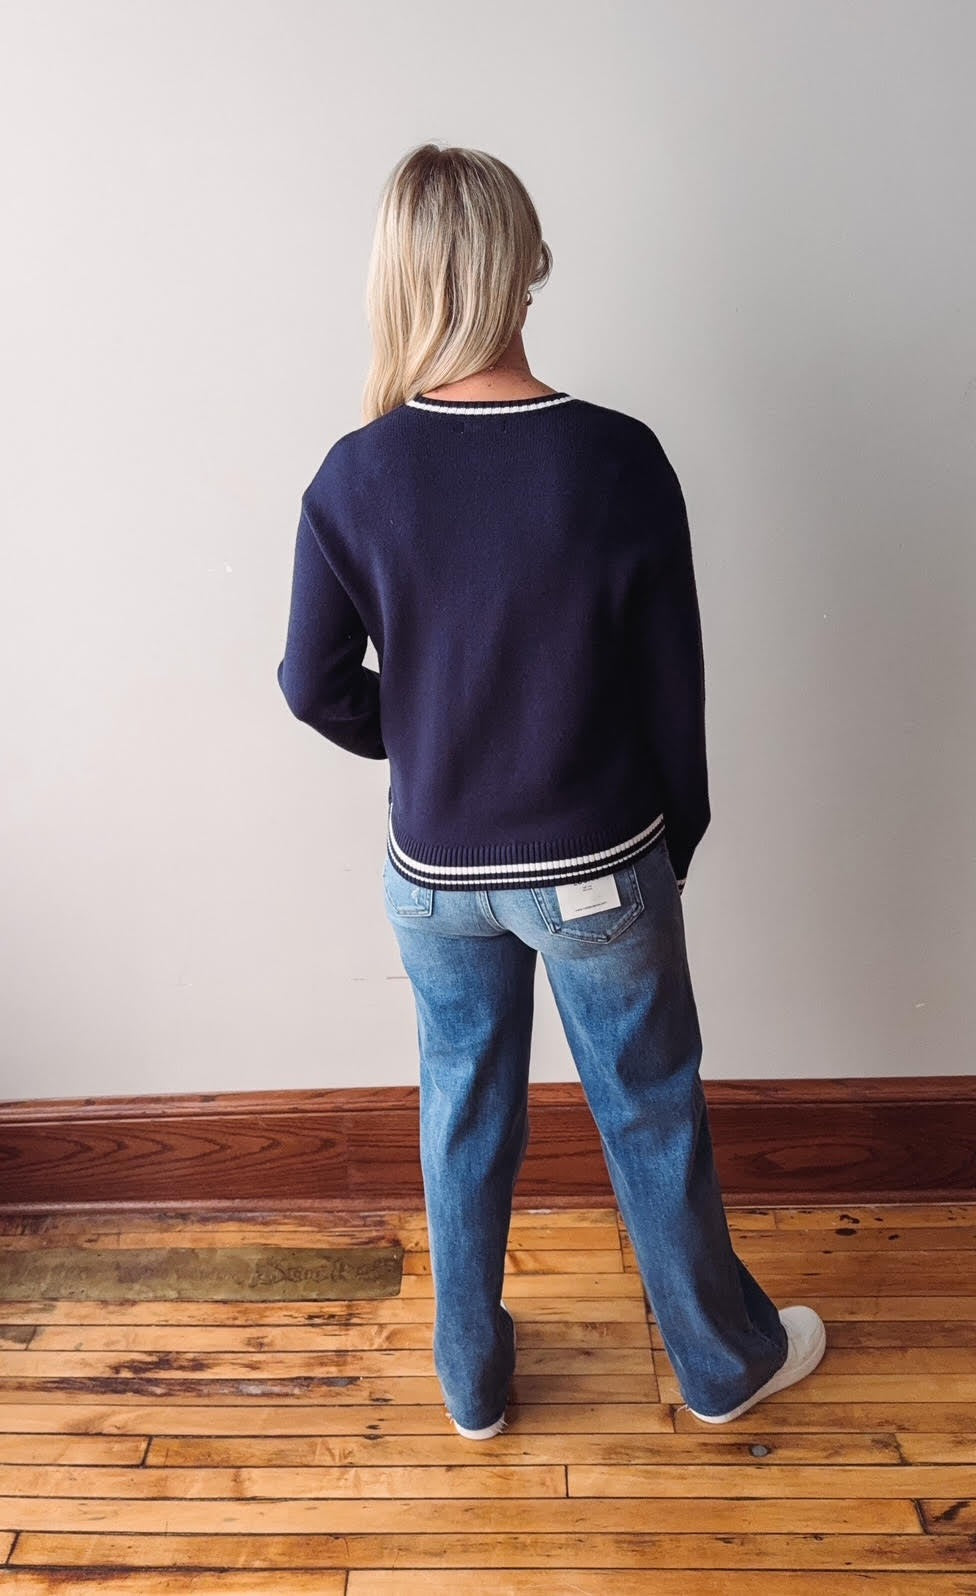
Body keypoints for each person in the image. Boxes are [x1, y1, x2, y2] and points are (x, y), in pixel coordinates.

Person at [276, 140, 826, 1440]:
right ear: (523, 264)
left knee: (461, 1111)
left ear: (401, 277)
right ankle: (722, 1367)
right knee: (651, 1111)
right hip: (596, 865)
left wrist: (430, 742)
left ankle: (472, 1385)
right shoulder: (615, 457)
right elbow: (673, 687)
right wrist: (671, 846)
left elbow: (310, 683)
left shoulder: (354, 474)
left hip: (434, 875)